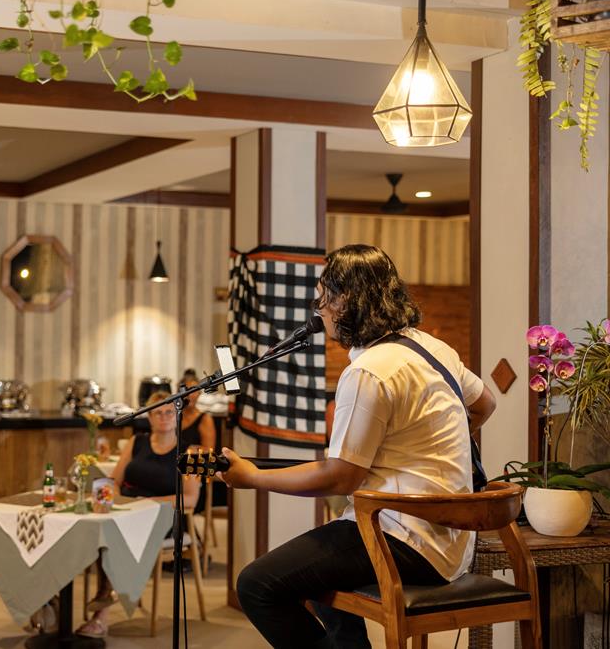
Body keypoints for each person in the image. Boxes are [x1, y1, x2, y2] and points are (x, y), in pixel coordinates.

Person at [221, 244, 496, 649]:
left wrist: (253, 477)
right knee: (317, 565)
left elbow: (340, 477)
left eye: (322, 298)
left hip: (405, 539)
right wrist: (431, 444)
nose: (319, 310)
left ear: (346, 300)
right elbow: (485, 404)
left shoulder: (368, 371)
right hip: (450, 539)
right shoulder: (431, 347)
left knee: (257, 584)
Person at [76, 390, 201, 638]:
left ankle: (102, 610)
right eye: (158, 413)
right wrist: (108, 495)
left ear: (177, 415)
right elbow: (115, 480)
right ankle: (78, 594)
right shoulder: (137, 442)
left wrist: (149, 502)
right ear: (149, 417)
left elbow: (190, 498)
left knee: (113, 534)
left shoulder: (190, 452)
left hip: (163, 516)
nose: (164, 417)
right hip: (128, 511)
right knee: (94, 527)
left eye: (169, 412)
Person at [179, 369, 216, 450]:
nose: (190, 395)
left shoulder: (205, 419)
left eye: (194, 391)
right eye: (187, 390)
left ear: (199, 394)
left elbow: (208, 451)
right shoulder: (172, 416)